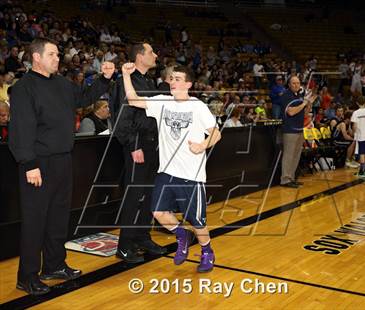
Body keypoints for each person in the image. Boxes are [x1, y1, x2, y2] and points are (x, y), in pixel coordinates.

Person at [8, 38, 115, 295]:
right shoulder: (24, 88)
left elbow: (85, 97)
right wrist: (29, 164)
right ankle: (27, 276)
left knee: (58, 217)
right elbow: (20, 129)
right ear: (36, 57)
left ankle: (54, 265)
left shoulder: (62, 84)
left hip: (63, 160)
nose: (58, 58)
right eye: (53, 54)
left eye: (58, 54)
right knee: (35, 221)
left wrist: (104, 78)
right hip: (37, 164)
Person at [122, 63, 221, 273]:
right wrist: (125, 74)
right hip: (166, 171)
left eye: (177, 79)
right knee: (158, 212)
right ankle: (181, 234)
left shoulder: (197, 106)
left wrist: (203, 145)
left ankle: (207, 251)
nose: (172, 82)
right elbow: (132, 99)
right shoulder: (162, 102)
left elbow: (216, 132)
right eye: (171, 78)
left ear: (188, 84)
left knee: (197, 221)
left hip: (191, 175)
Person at [110, 42, 165, 263]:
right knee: (134, 195)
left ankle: (142, 237)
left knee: (148, 194)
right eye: (151, 52)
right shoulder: (125, 81)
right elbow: (121, 116)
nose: (155, 54)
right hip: (137, 144)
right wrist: (133, 145)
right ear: (139, 57)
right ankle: (124, 245)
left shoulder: (148, 81)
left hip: (151, 144)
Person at [280, 76, 316, 188]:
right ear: (289, 85)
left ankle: (292, 177)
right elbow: (291, 112)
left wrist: (309, 104)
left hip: (300, 129)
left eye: (298, 83)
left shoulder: (299, 96)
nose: (296, 85)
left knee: (296, 155)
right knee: (289, 155)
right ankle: (285, 179)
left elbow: (304, 114)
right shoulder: (286, 96)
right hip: (290, 130)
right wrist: (304, 103)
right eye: (294, 83)